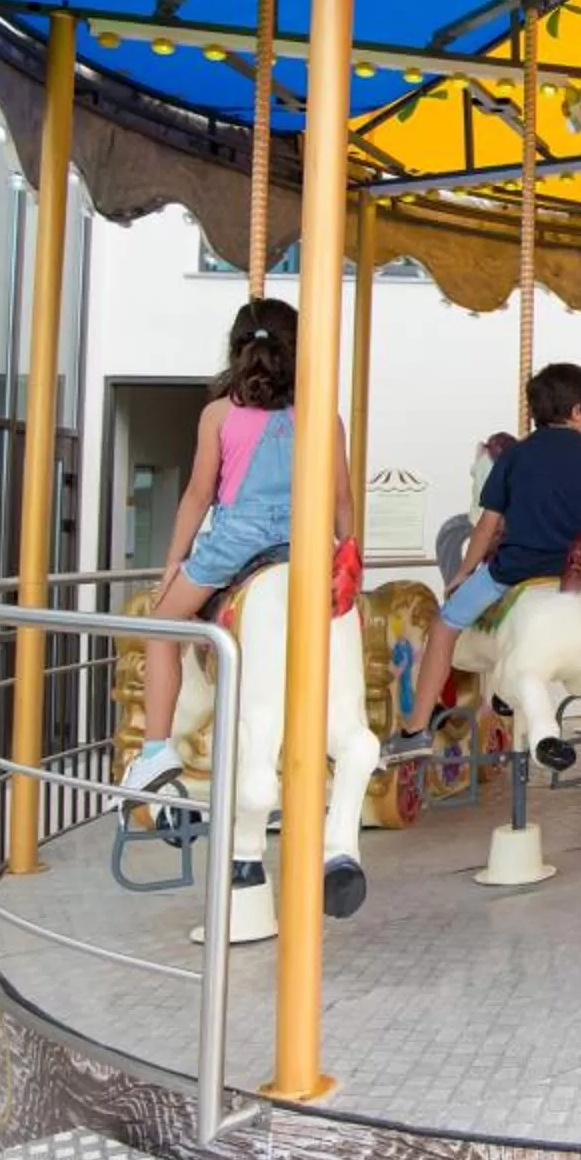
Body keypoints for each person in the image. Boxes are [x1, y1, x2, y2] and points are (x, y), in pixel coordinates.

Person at [121, 299, 352, 796]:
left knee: (160, 627)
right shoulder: (324, 415)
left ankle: (155, 751)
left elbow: (200, 493)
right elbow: (341, 500)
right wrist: (348, 550)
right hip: (304, 544)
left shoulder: (218, 414)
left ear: (237, 350)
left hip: (236, 542)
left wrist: (173, 563)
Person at [391, 362, 581, 744]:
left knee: (444, 626)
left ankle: (415, 728)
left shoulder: (516, 457)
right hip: (570, 573)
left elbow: (486, 526)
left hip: (514, 570)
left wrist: (463, 572)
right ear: (576, 412)